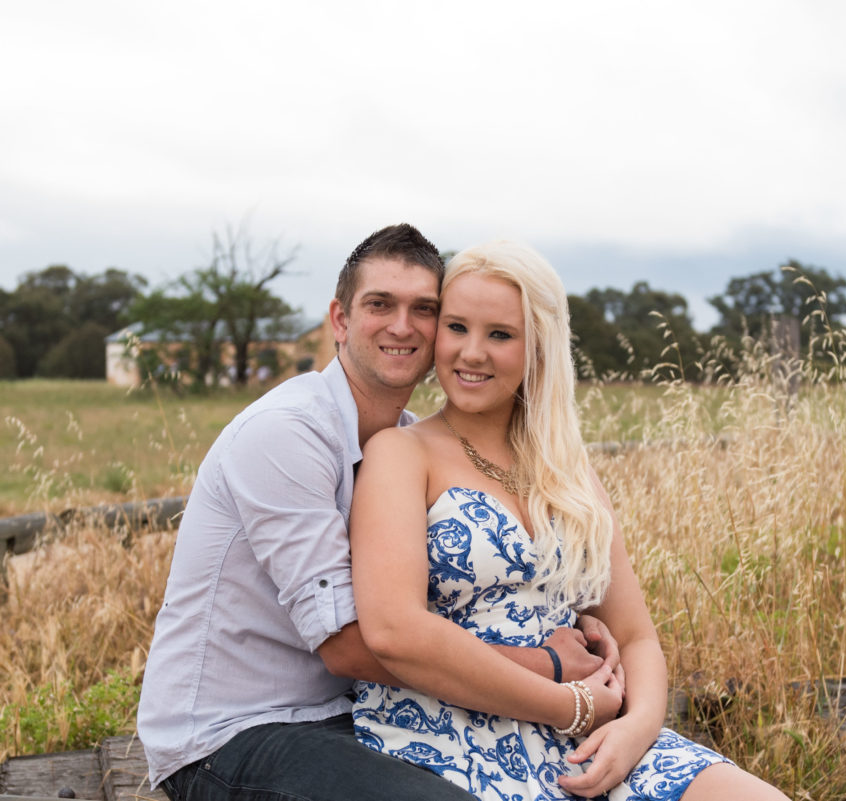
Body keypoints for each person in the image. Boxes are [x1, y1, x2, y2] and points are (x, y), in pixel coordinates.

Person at [137, 225, 618, 801]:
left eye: (425, 309)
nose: (402, 325)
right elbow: (350, 644)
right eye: (380, 305)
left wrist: (569, 617)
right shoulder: (285, 433)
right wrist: (547, 666)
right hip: (236, 733)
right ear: (339, 321)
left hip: (361, 714)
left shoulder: (408, 444)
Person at [349, 241, 787, 800]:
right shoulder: (401, 453)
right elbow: (396, 630)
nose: (472, 353)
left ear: (539, 347)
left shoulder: (566, 469)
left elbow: (635, 636)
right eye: (457, 327)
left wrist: (635, 729)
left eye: (500, 334)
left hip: (590, 733)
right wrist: (571, 705)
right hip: (447, 729)